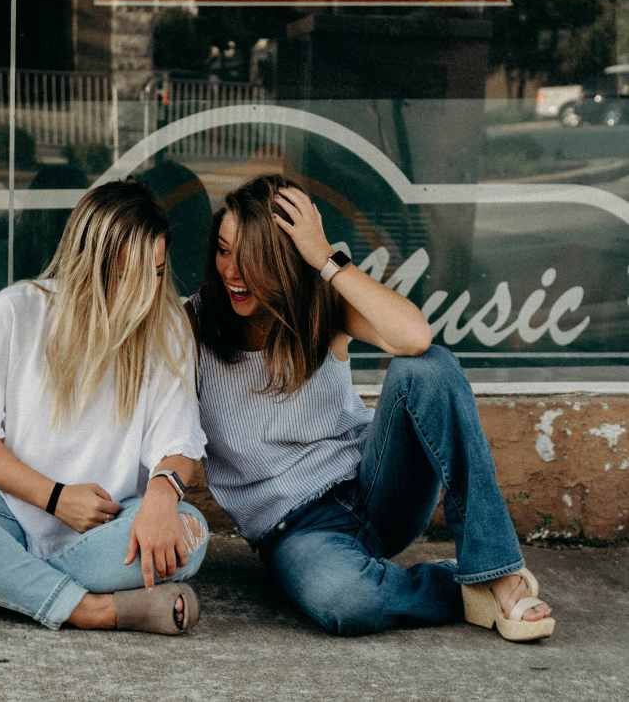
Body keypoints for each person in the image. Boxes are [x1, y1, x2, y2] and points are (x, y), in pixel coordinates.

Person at [187, 174, 555, 641]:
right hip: (297, 532)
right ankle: (461, 587)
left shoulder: (320, 304)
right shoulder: (193, 326)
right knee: (347, 598)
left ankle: (497, 570)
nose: (233, 272)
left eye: (251, 258)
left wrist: (325, 258)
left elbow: (414, 338)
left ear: (285, 258)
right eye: (224, 251)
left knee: (428, 369)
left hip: (376, 486)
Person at [0, 178, 209, 634]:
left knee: (191, 532)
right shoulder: (17, 312)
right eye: (128, 277)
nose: (145, 294)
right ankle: (92, 609)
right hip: (5, 518)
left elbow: (178, 447)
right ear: (87, 265)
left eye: (155, 274)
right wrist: (56, 499)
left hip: (108, 529)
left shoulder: (167, 327)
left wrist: (161, 499)